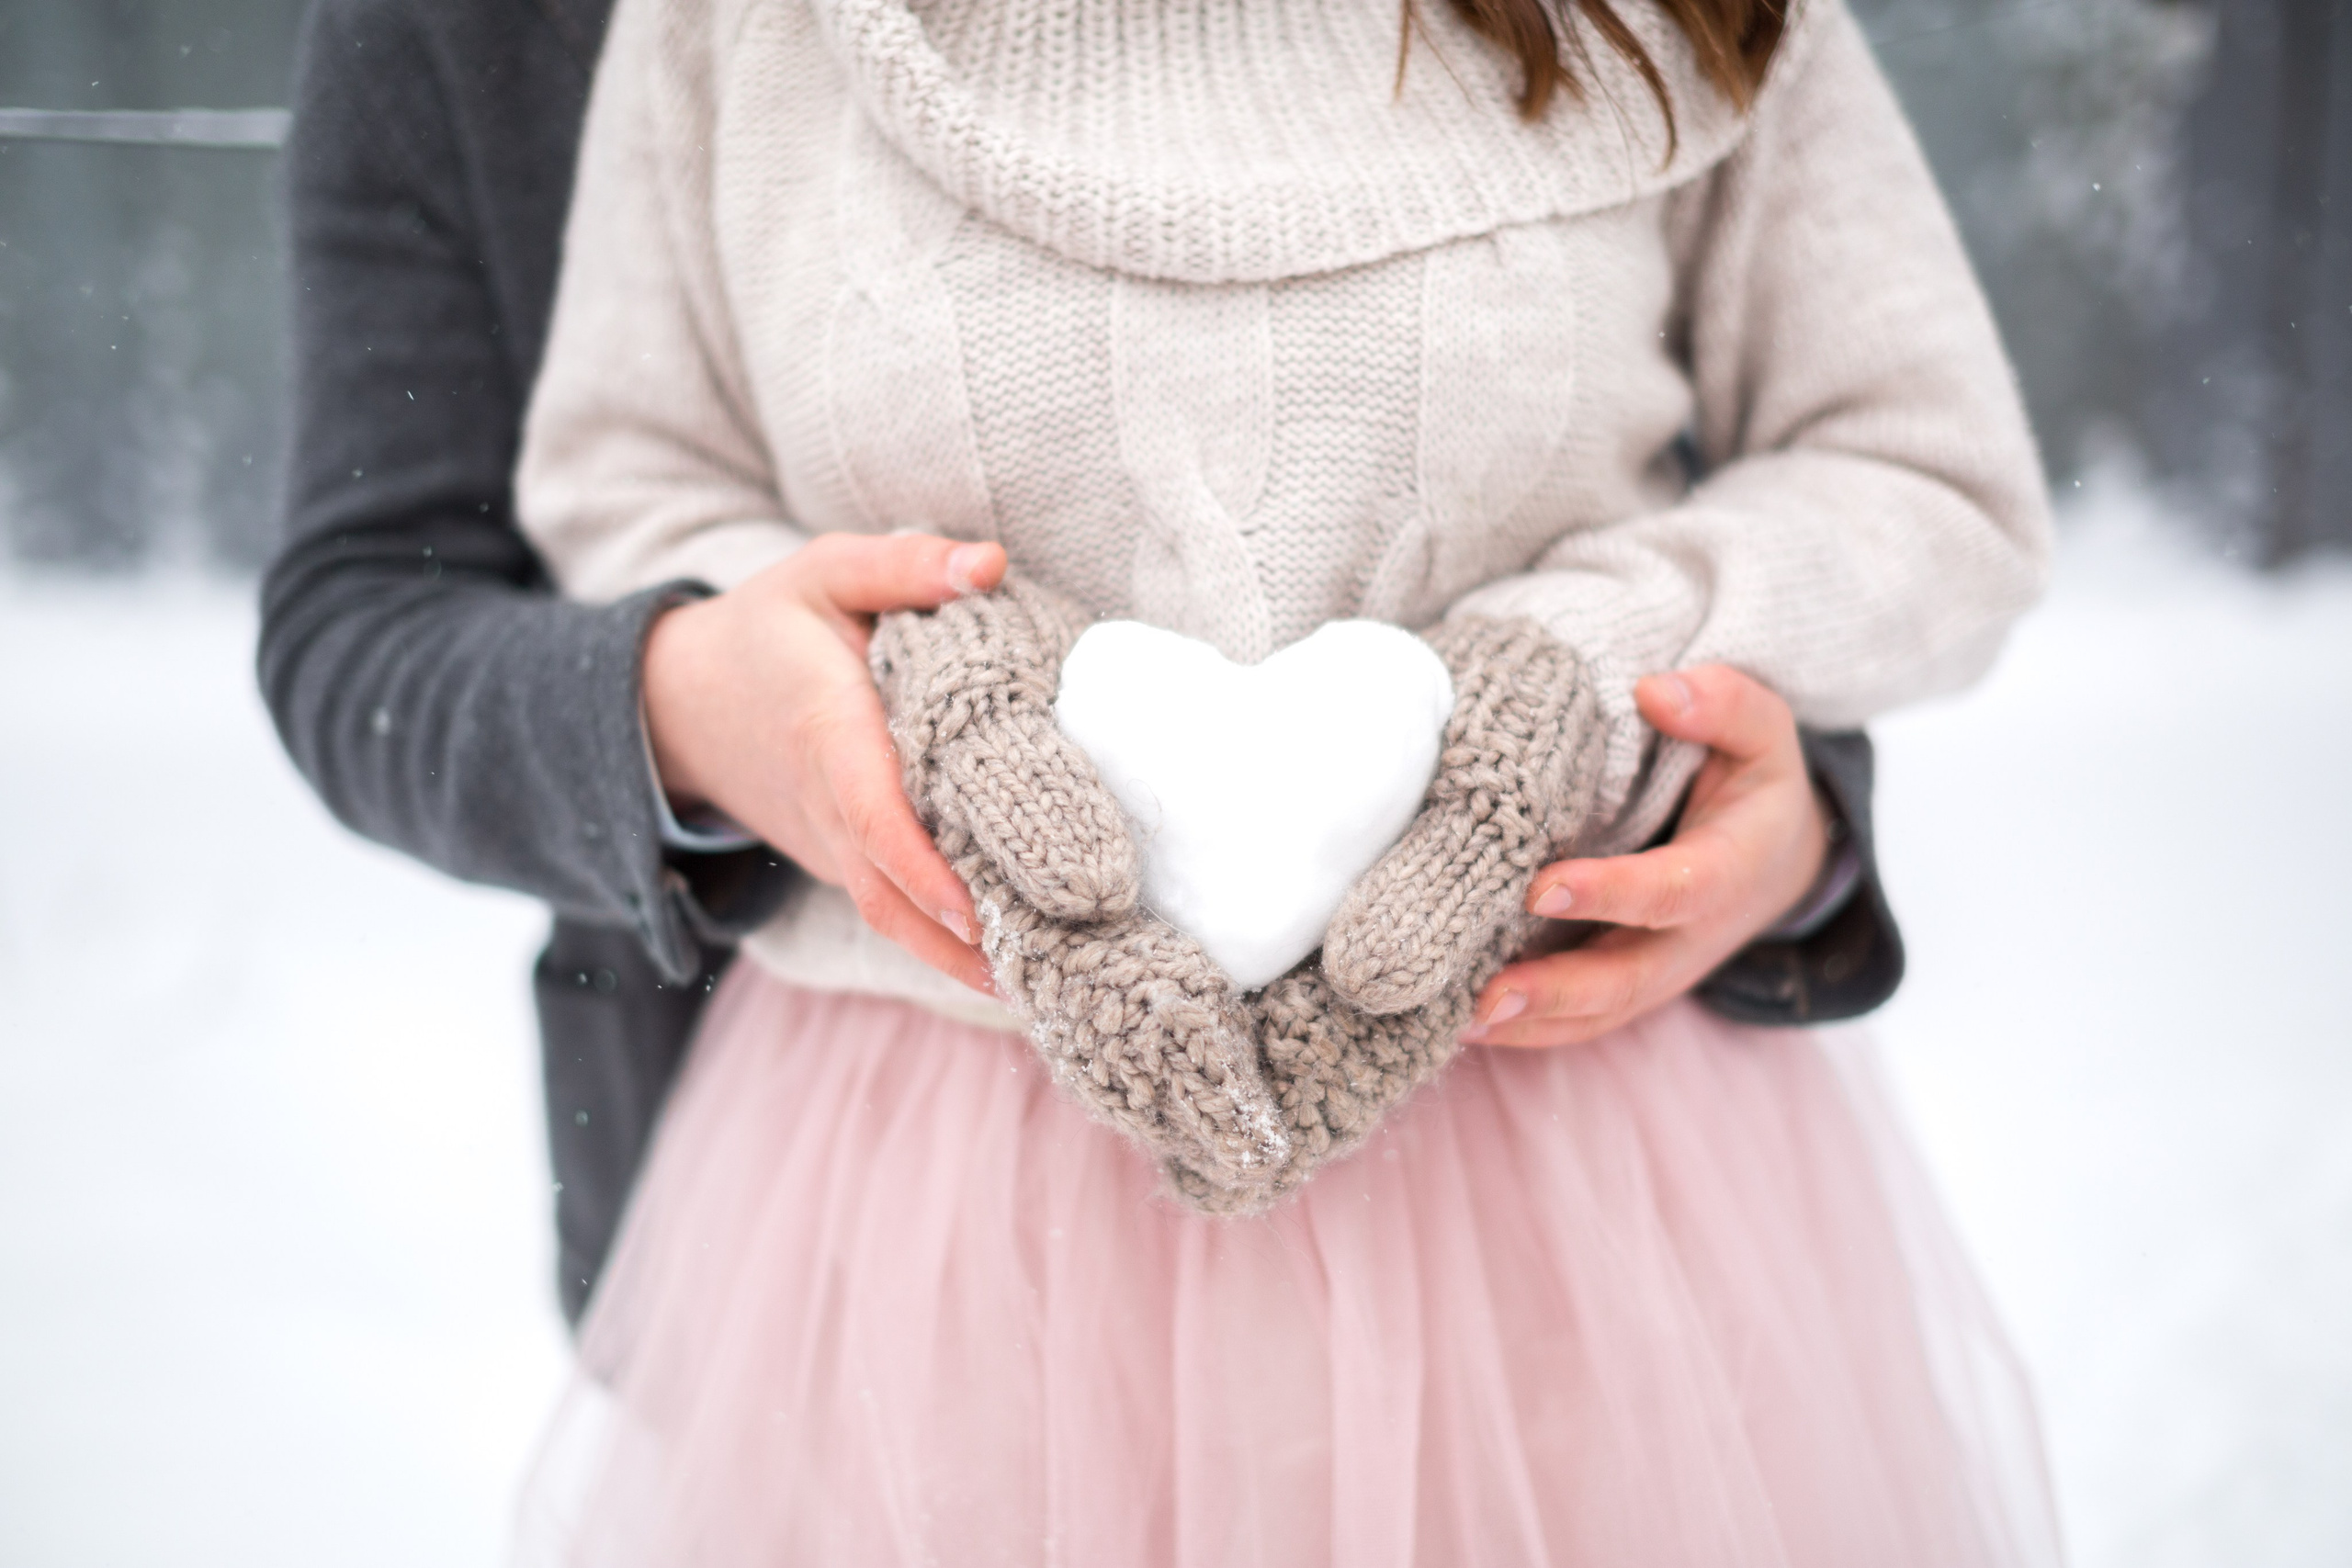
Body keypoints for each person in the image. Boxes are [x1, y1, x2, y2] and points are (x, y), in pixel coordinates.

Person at [506, 0, 2065, 1557]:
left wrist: (1588, 675)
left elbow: (1926, 474)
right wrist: (911, 677)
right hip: (936, 1214)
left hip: (1569, 1184)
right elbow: (627, 477)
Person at [261, 0, 1907, 1327]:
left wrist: (1760, 796)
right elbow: (373, 619)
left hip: (1567, 1205)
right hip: (865, 1229)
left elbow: (1760, 470)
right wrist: (696, 706)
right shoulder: (570, 37)